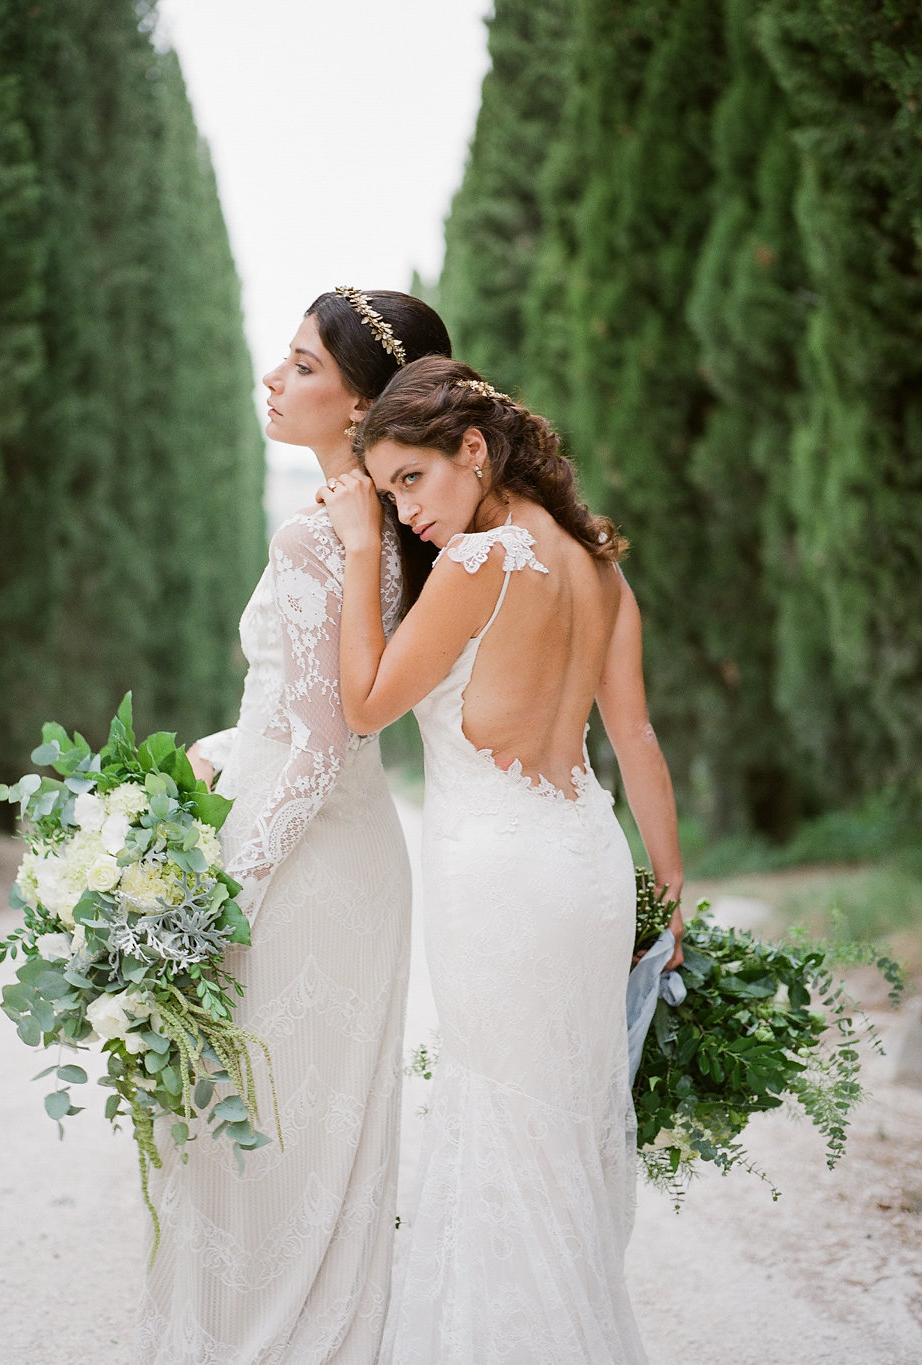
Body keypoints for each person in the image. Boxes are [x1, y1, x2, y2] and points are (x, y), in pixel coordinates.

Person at [320, 356, 683, 1365]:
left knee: (502, 1119)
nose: (404, 513)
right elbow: (638, 739)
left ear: (473, 451)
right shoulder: (597, 563)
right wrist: (670, 894)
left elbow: (364, 706)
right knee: (561, 1124)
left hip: (502, 882)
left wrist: (357, 552)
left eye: (413, 481)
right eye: (387, 495)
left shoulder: (483, 566)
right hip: (590, 867)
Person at [135, 289, 452, 1365]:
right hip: (341, 850)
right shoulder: (399, 530)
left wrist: (226, 892)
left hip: (302, 863)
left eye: (304, 363)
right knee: (301, 1131)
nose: (275, 375)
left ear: (361, 403)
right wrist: (214, 756)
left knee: (261, 1128)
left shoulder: (326, 534)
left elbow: (324, 745)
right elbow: (303, 716)